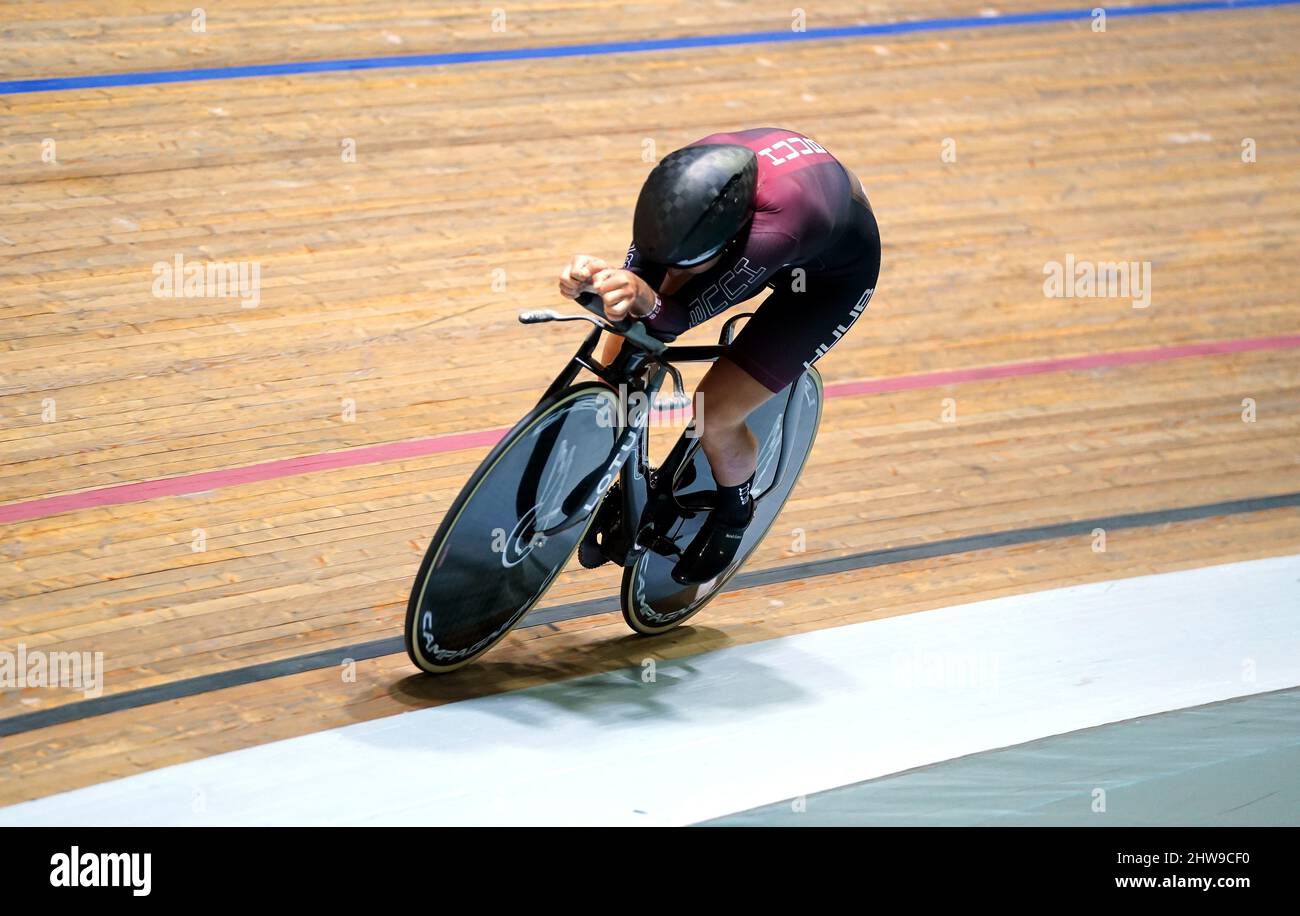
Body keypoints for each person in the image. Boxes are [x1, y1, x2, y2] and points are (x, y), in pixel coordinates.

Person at [559, 127, 880, 584]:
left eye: (687, 263)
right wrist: (601, 279)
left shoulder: (775, 230)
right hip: (779, 206)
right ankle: (622, 474)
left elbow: (674, 318)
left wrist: (646, 298)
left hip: (829, 277)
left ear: (727, 241)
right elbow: (640, 277)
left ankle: (734, 513)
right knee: (616, 357)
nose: (673, 271)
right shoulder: (676, 180)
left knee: (716, 412)